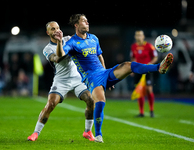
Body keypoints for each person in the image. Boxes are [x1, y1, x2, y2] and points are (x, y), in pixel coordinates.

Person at [56, 14, 173, 143]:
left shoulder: (93, 38)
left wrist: (106, 76)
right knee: (100, 101)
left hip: (104, 72)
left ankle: (159, 67)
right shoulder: (72, 42)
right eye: (84, 21)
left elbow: (100, 56)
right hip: (91, 78)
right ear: (76, 25)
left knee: (128, 65)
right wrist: (59, 42)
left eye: (87, 21)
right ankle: (98, 135)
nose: (87, 23)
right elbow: (61, 55)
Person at [27, 21, 95, 142]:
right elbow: (58, 58)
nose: (56, 30)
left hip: (77, 78)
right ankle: (35, 133)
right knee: (50, 105)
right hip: (61, 81)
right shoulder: (47, 49)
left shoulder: (69, 39)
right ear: (48, 32)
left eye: (57, 28)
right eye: (53, 29)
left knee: (90, 100)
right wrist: (59, 42)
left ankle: (87, 131)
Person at [130, 30, 158, 117]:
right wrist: (133, 68)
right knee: (139, 90)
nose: (138, 37)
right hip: (138, 71)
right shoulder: (133, 46)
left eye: (140, 35)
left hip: (147, 70)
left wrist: (150, 63)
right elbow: (132, 58)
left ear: (143, 36)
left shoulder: (149, 46)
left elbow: (155, 57)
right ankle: (141, 112)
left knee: (149, 90)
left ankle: (151, 110)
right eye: (137, 35)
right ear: (135, 37)